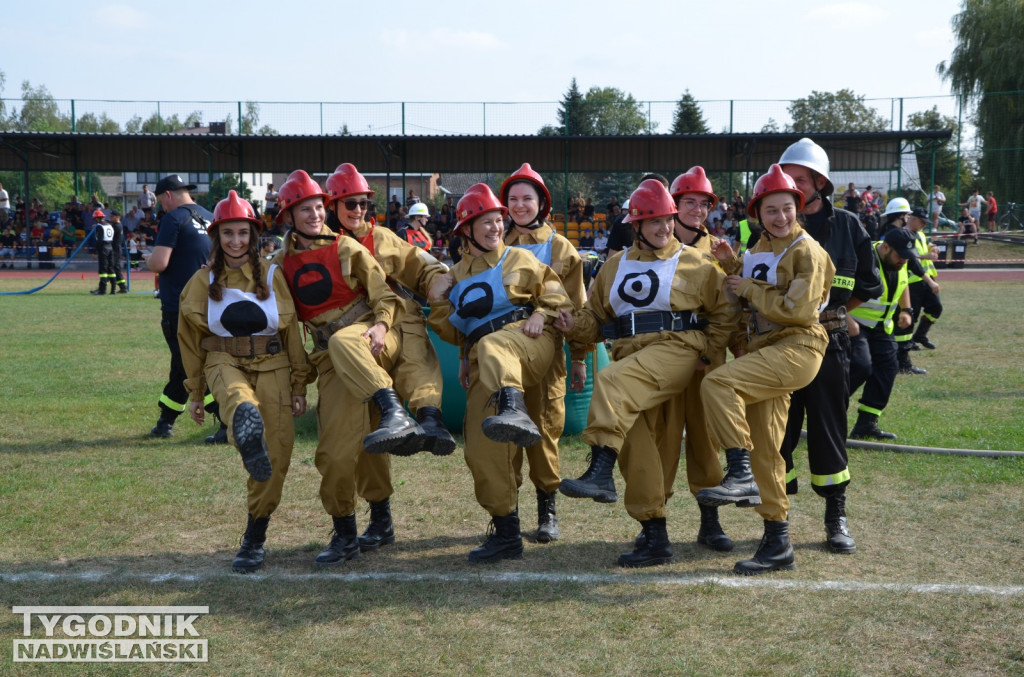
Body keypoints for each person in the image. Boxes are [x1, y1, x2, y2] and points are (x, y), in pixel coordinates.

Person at [555, 179, 736, 568]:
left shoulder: (697, 261)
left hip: (680, 356)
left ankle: (706, 518)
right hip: (631, 360)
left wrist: (710, 352)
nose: (663, 228)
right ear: (635, 225)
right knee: (639, 443)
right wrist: (574, 327)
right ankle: (655, 533)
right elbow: (596, 318)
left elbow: (724, 313)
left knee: (701, 443)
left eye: (667, 220)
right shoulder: (613, 267)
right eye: (654, 221)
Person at [271, 169, 421, 567]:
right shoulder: (280, 264)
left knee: (346, 348)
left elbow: (384, 295)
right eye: (306, 209)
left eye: (320, 207)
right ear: (290, 214)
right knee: (341, 451)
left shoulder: (347, 248)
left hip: (371, 341)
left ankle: (393, 409)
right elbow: (289, 328)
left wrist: (381, 325)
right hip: (331, 359)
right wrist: (300, 383)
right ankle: (348, 531)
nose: (316, 215)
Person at [697, 164, 835, 576]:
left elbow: (798, 309)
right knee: (766, 449)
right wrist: (731, 266)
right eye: (771, 210)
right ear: (757, 213)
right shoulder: (759, 248)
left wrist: (748, 286)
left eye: (787, 208)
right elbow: (751, 291)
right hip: (764, 350)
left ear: (799, 207)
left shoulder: (806, 250)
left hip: (797, 345)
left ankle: (737, 471)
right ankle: (778, 541)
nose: (780, 217)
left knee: (718, 382)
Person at [427, 183, 571, 563]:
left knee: (541, 431)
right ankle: (506, 531)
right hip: (484, 362)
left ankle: (547, 507)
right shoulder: (454, 276)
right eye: (485, 222)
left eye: (497, 221)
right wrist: (436, 298)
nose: (494, 228)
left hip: (529, 341)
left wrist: (542, 312)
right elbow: (453, 330)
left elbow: (556, 290)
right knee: (480, 446)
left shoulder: (520, 257)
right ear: (466, 230)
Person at [322, 162, 456, 552]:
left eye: (363, 203)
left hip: (390, 327)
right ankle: (363, 523)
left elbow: (421, 265)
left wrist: (438, 281)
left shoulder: (381, 239)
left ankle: (429, 420)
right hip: (346, 350)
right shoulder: (311, 249)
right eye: (350, 203)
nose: (358, 210)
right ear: (332, 205)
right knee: (361, 439)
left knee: (416, 356)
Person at [177, 190, 312, 573]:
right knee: (240, 402)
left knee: (273, 458)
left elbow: (291, 334)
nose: (235, 241)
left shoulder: (272, 274)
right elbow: (189, 341)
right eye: (227, 234)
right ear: (216, 237)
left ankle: (256, 531)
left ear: (253, 236)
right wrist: (196, 393)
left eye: (242, 233)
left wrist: (299, 385)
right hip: (223, 359)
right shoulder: (202, 281)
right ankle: (243, 424)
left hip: (274, 365)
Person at [773, 138, 881, 555]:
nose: (792, 188)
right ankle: (776, 518)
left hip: (830, 346)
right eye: (787, 181)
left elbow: (867, 283)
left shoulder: (849, 226)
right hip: (779, 346)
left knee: (829, 429)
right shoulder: (769, 227)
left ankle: (836, 516)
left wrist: (836, 314)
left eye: (800, 180)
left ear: (820, 183)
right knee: (777, 431)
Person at [500, 163, 591, 544]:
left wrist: (581, 358)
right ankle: (506, 513)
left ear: (542, 204)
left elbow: (577, 307)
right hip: (499, 354)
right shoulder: (494, 241)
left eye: (527, 199)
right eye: (513, 199)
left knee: (543, 429)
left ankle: (546, 510)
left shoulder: (560, 248)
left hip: (546, 354)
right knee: (504, 433)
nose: (520, 206)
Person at [144, 175, 222, 441]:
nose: (161, 207)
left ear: (167, 195)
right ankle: (165, 421)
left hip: (179, 306)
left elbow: (160, 263)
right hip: (210, 305)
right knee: (182, 364)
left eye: (160, 201)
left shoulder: (173, 219)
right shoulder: (210, 217)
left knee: (190, 364)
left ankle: (225, 418)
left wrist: (148, 259)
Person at [847, 227, 917, 441]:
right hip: (855, 324)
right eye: (900, 257)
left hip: (882, 327)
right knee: (861, 366)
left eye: (907, 259)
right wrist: (845, 317)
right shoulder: (863, 258)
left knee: (887, 369)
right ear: (885, 247)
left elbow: (903, 283)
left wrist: (906, 310)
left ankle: (866, 424)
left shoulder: (899, 260)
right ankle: (825, 409)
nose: (903, 262)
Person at [898, 208, 944, 356]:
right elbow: (910, 257)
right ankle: (907, 341)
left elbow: (925, 244)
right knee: (912, 313)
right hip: (913, 280)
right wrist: (926, 256)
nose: (924, 224)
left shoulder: (920, 234)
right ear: (913, 219)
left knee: (936, 307)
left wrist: (933, 247)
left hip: (928, 277)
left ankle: (920, 335)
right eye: (922, 221)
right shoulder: (904, 234)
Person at [89, 209, 118, 295]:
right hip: (110, 248)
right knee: (111, 269)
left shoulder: (99, 227)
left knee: (103, 270)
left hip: (103, 249)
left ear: (97, 218)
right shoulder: (109, 226)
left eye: (95, 219)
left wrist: (95, 252)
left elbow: (99, 241)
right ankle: (113, 290)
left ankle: (102, 290)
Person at [108, 210, 128, 294]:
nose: (110, 218)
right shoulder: (118, 225)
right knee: (116, 268)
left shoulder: (116, 226)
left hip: (115, 250)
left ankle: (122, 286)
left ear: (117, 217)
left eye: (112, 216)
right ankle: (122, 286)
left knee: (114, 267)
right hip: (116, 249)